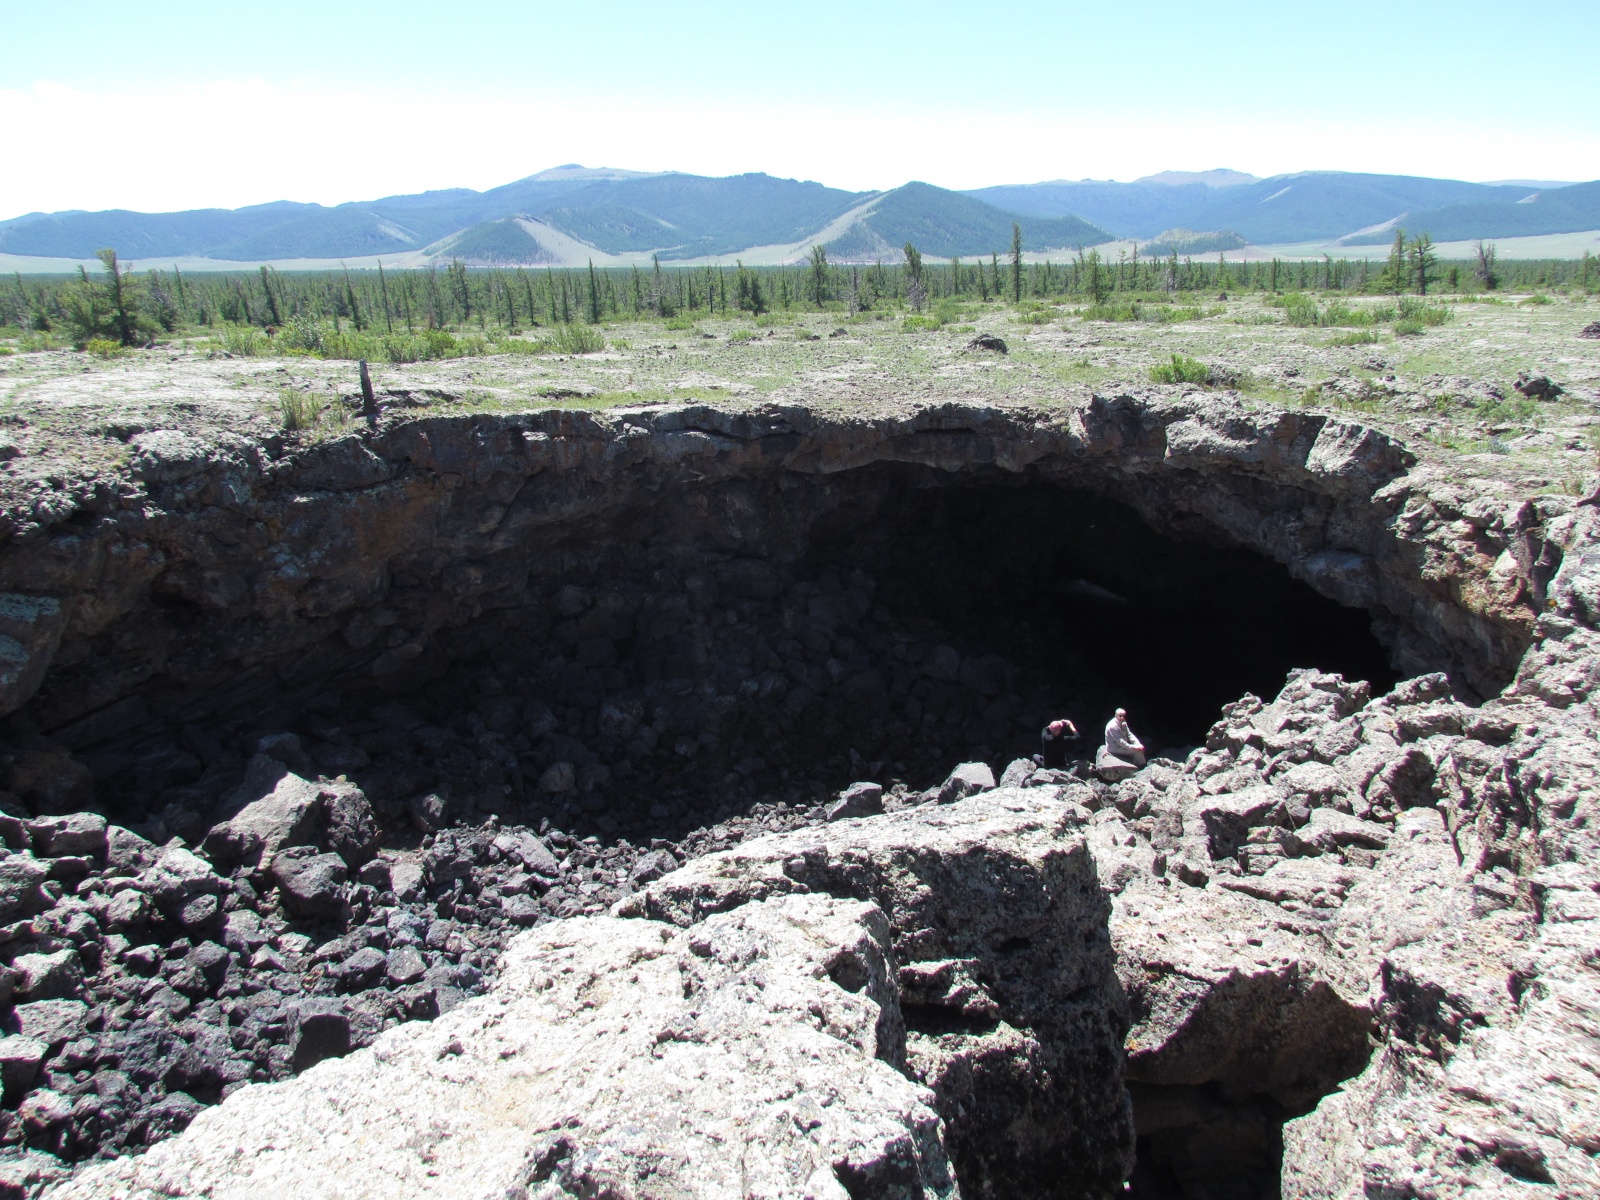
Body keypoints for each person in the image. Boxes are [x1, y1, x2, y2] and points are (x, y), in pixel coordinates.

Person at [1096, 708, 1146, 780]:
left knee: (1139, 748)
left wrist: (1137, 743)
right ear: (1116, 715)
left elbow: (1129, 734)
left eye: (1124, 716)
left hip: (1122, 745)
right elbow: (1120, 741)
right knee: (1138, 751)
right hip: (1114, 748)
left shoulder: (1123, 722)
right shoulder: (1112, 726)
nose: (1122, 718)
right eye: (1120, 716)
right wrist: (1135, 748)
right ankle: (1142, 768)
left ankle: (1138, 764)